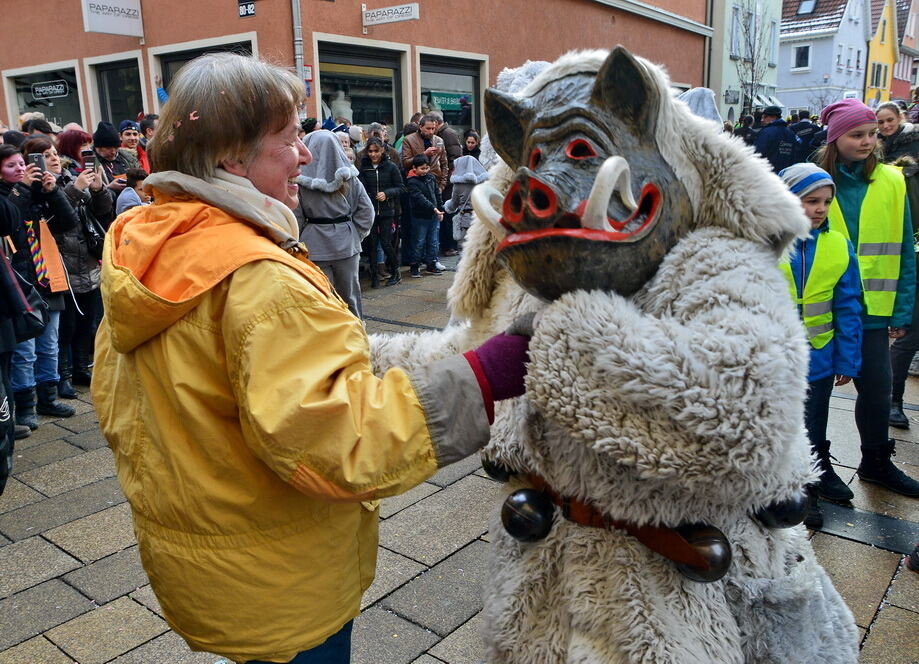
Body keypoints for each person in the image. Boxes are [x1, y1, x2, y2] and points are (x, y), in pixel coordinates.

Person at [91, 52, 531, 664]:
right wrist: (483, 375)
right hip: (284, 582)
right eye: (291, 138)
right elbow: (336, 444)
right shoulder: (259, 279)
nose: (306, 154)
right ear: (230, 156)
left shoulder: (147, 248)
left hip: (215, 569)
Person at [818, 98, 919, 497]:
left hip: (873, 312)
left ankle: (876, 461)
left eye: (872, 133)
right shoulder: (816, 183)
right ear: (835, 138)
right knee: (818, 392)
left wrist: (902, 309)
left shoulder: (893, 181)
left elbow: (904, 250)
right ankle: (817, 465)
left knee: (878, 389)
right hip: (824, 311)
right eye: (857, 134)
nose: (868, 141)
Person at [778, 163, 862, 528]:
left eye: (826, 202)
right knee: (779, 425)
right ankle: (782, 487)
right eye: (811, 200)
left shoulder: (838, 246)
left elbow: (848, 305)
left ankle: (810, 486)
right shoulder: (765, 242)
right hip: (774, 358)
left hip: (820, 357)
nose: (820, 209)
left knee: (814, 422)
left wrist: (848, 358)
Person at [0, 142, 79, 429]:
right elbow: (11, 224)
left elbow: (67, 221)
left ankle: (49, 396)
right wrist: (20, 189)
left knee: (49, 343)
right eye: (12, 165)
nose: (21, 169)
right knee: (25, 351)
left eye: (22, 163)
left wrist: (52, 190)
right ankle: (25, 406)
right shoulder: (8, 195)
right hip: (21, 278)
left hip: (48, 274)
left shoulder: (37, 189)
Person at [295, 129, 374, 318]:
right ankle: (357, 336)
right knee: (350, 296)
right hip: (346, 243)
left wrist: (303, 239)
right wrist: (354, 235)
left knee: (323, 297)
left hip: (314, 245)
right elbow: (366, 212)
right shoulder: (351, 179)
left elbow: (295, 217)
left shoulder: (301, 182)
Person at [874, 101, 919, 428]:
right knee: (909, 335)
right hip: (911, 255)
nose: (885, 126)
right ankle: (893, 399)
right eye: (881, 121)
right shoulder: (903, 173)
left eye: (890, 120)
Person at [357, 137, 404, 288]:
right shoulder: (363, 168)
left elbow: (401, 188)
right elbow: (361, 188)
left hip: (386, 210)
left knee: (385, 242)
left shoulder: (390, 167)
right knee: (371, 243)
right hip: (370, 211)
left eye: (376, 151)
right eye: (370, 151)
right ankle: (374, 276)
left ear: (382, 150)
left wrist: (387, 193)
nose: (373, 154)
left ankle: (395, 271)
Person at [406, 154, 444, 278]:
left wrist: (440, 209)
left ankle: (431, 263)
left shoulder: (431, 177)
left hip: (434, 215)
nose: (425, 171)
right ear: (414, 168)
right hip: (420, 216)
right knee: (419, 241)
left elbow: (437, 194)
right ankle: (415, 265)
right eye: (422, 168)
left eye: (427, 168)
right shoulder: (411, 182)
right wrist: (434, 208)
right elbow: (419, 198)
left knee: (433, 241)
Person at [443, 155, 488, 247]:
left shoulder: (458, 185)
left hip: (465, 219)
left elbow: (453, 204)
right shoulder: (484, 182)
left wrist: (446, 206)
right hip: (480, 219)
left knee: (464, 249)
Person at [401, 114, 448, 191]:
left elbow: (444, 164)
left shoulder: (439, 140)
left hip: (435, 182)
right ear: (420, 127)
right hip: (417, 182)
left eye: (433, 128)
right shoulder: (408, 140)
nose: (431, 131)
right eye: (428, 128)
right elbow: (406, 163)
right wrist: (424, 154)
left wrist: (442, 185)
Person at [754, 105, 800, 172]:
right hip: (786, 173)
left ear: (773, 117)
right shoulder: (791, 133)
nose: (762, 120)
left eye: (765, 117)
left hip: (767, 174)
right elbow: (795, 154)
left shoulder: (766, 132)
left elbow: (758, 153)